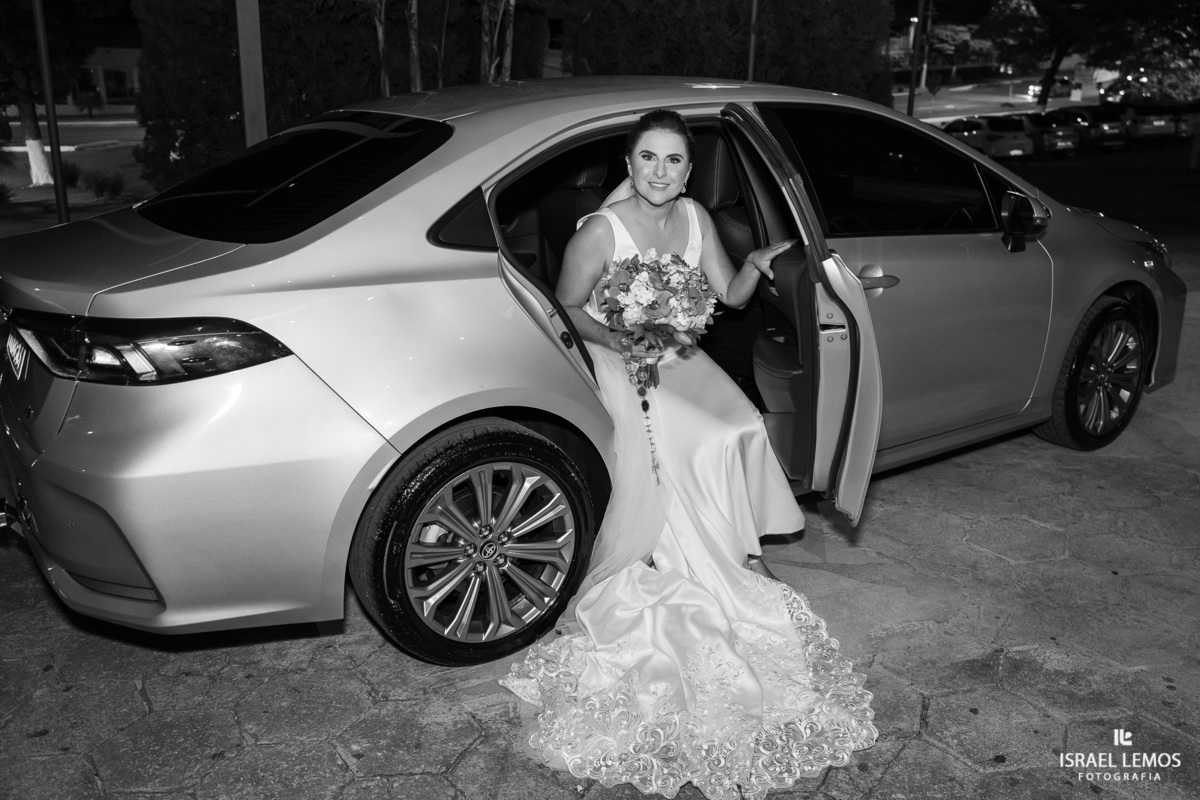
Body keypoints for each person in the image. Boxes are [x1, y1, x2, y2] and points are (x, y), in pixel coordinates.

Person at [500, 109, 877, 800]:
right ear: (629, 161)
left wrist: (759, 265)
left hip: (677, 352)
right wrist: (628, 342)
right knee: (700, 435)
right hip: (619, 359)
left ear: (689, 169)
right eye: (648, 158)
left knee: (740, 423)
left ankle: (730, 546)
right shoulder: (599, 231)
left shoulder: (697, 218)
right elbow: (566, 309)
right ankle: (697, 558)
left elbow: (728, 295)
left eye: (674, 160)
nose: (660, 172)